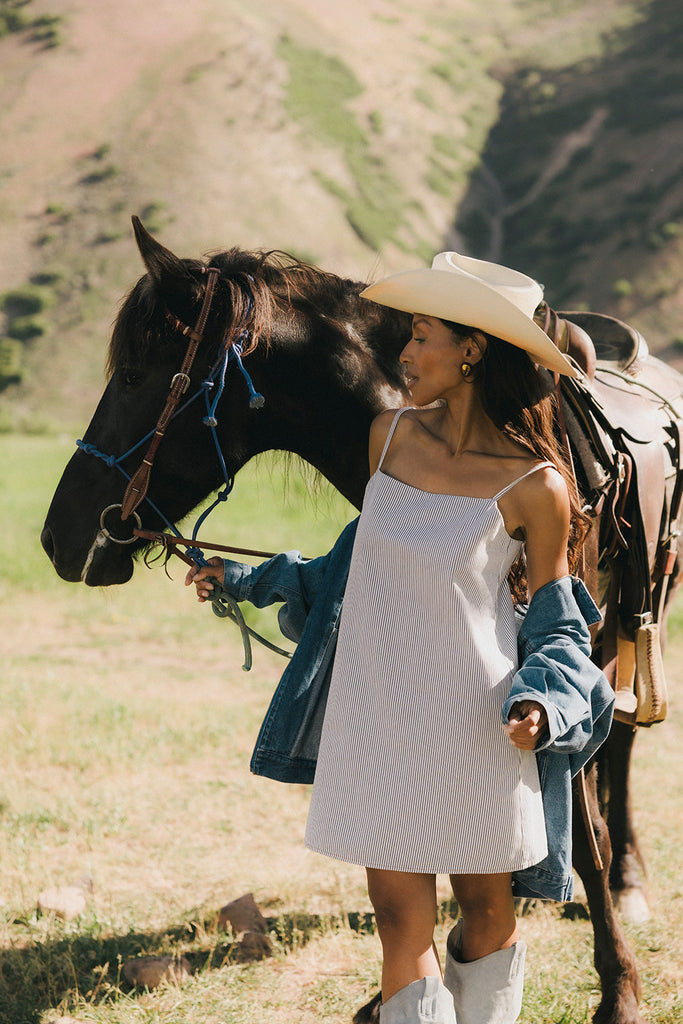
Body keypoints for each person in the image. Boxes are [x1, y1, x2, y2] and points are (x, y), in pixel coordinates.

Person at [186, 252, 615, 1024]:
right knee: (395, 917)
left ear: (471, 350)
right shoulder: (385, 437)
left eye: (420, 336)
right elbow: (354, 567)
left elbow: (558, 621)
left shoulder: (536, 484)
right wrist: (244, 578)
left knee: (487, 911)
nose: (405, 355)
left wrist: (544, 704)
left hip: (480, 723)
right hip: (376, 717)